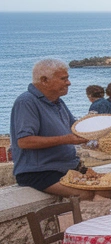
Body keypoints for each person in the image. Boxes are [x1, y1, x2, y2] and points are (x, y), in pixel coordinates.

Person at [10, 58, 90, 200]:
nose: (68, 83)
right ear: (44, 80)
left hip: (65, 168)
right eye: (63, 79)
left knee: (110, 189)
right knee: (88, 194)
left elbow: (75, 129)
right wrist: (65, 139)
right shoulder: (26, 102)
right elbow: (24, 141)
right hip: (40, 172)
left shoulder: (57, 101)